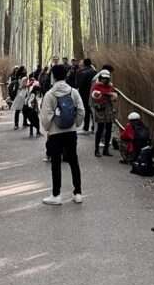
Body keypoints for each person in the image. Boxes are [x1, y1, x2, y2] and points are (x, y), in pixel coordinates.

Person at [39, 63, 84, 205]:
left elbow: (46, 116)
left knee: (56, 163)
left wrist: (48, 128)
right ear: (66, 75)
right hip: (71, 132)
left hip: (55, 133)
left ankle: (56, 195)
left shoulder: (50, 94)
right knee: (73, 161)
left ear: (53, 76)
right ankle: (78, 193)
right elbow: (81, 110)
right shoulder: (73, 92)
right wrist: (76, 124)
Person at [90, 68, 117, 157]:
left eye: (106, 78)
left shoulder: (110, 86)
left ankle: (106, 149)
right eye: (103, 78)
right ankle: (96, 149)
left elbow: (114, 97)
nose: (104, 79)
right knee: (100, 128)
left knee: (109, 128)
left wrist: (111, 96)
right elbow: (94, 95)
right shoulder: (96, 85)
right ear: (100, 77)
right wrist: (100, 94)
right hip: (100, 108)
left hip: (108, 108)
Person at [76, 58, 96, 133]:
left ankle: (86, 127)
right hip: (93, 93)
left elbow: (79, 84)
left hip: (84, 93)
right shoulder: (94, 71)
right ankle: (94, 127)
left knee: (86, 110)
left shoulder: (82, 72)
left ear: (84, 63)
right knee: (92, 110)